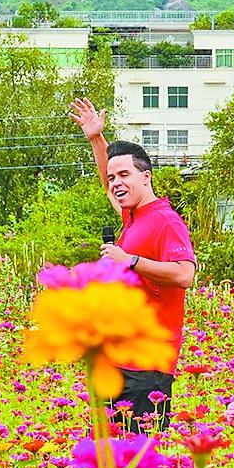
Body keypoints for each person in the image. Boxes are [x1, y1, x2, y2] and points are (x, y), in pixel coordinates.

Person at [68, 96, 197, 430]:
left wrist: (130, 260)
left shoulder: (165, 221)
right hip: (116, 361)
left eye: (124, 175)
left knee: (140, 464)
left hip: (146, 368)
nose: (116, 183)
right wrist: (97, 139)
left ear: (147, 177)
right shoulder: (134, 217)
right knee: (108, 464)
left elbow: (185, 274)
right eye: (113, 177)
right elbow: (109, 185)